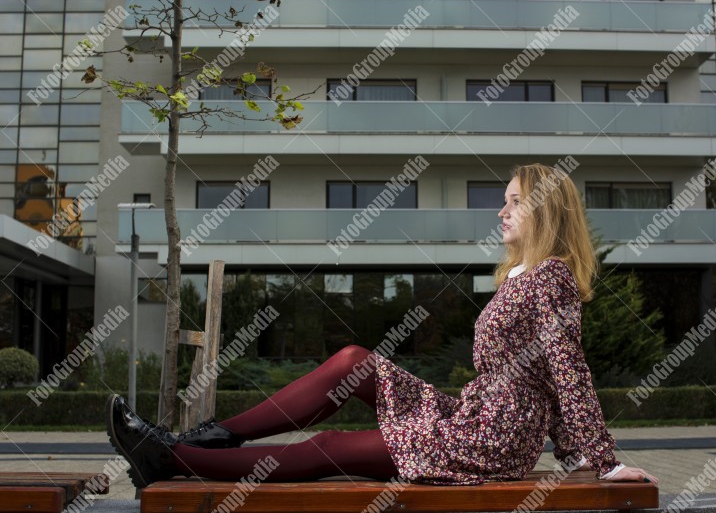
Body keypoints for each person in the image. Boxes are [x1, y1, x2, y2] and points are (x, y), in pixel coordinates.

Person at [107, 163, 658, 488]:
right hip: (468, 416)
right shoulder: (522, 275)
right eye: (504, 201)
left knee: (331, 445)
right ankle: (213, 437)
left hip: (490, 440)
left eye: (514, 202)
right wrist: (577, 452)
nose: (501, 211)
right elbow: (550, 379)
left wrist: (601, 463)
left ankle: (170, 457)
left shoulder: (550, 278)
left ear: (544, 210)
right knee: (352, 361)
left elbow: (568, 372)